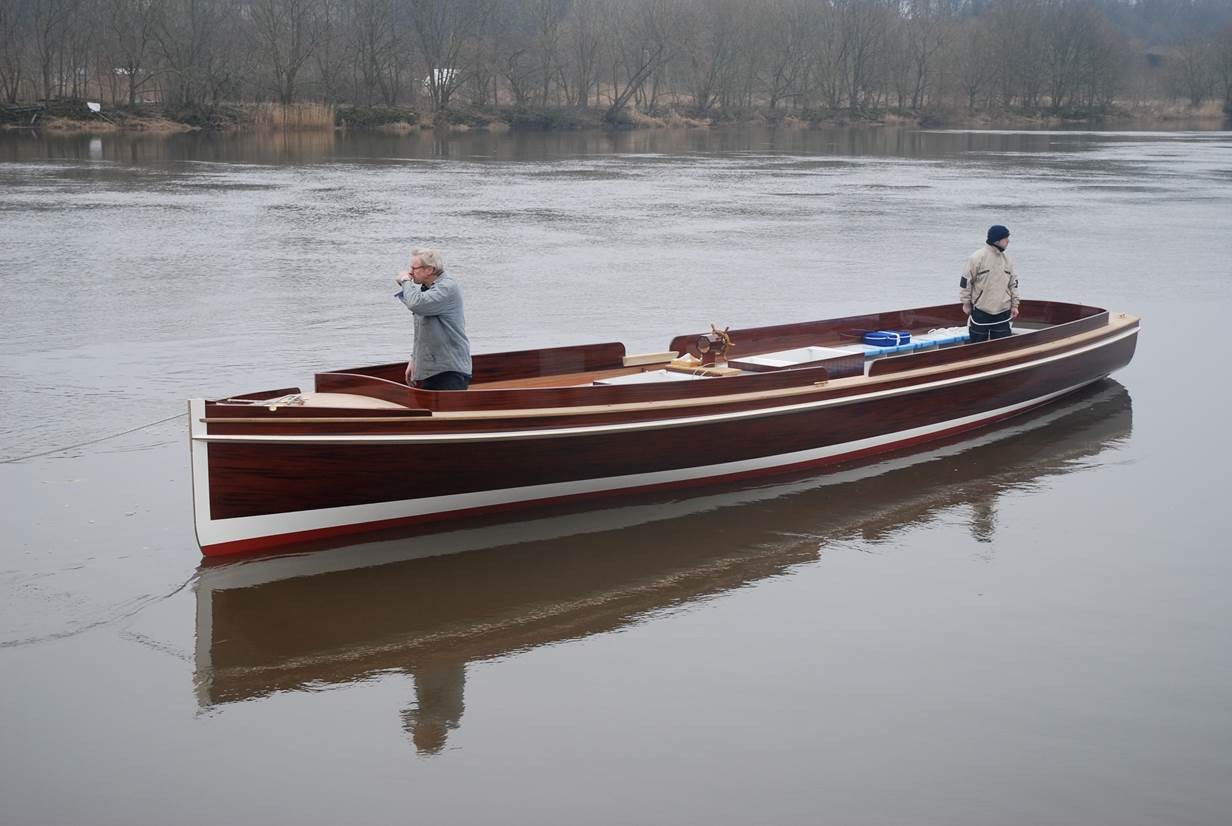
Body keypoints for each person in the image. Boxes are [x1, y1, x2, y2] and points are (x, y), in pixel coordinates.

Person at [395, 247, 472, 390]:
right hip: (432, 368)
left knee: (445, 412)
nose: (410, 272)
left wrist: (406, 281)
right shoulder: (427, 290)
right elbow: (423, 330)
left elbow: (416, 304)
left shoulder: (447, 288)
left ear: (429, 270)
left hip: (449, 371)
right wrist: (414, 359)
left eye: (414, 268)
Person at [960, 224, 1019, 343]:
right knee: (978, 345)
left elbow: (1013, 284)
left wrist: (1015, 305)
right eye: (1006, 238)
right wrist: (966, 303)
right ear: (997, 240)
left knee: (1002, 346)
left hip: (1002, 311)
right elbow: (965, 282)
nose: (1008, 241)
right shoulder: (976, 258)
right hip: (981, 310)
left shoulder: (1007, 260)